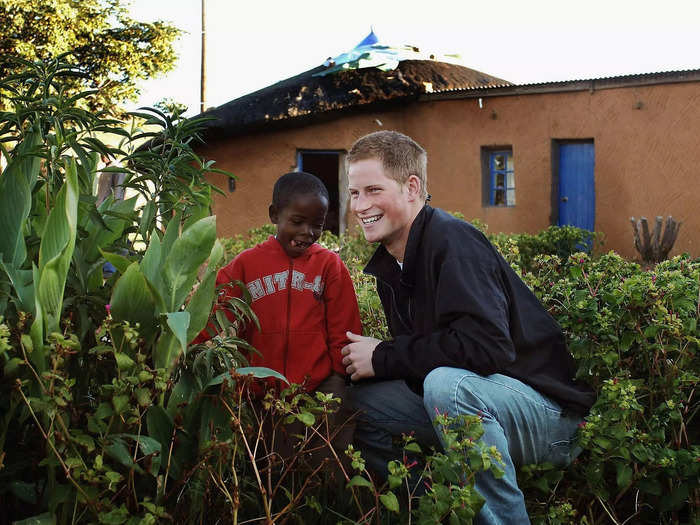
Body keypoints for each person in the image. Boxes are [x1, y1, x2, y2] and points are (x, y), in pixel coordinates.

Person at [341, 131, 595, 524]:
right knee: (357, 403)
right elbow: (430, 353)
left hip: (550, 416)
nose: (360, 205)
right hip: (484, 402)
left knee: (447, 384)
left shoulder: (452, 241)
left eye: (373, 189)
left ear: (412, 188)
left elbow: (488, 348)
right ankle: (436, 511)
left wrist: (385, 355)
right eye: (354, 193)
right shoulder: (393, 263)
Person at [196, 171, 362, 470]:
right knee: (267, 466)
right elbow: (216, 314)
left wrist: (338, 377)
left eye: (317, 225)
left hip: (319, 390)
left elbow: (344, 328)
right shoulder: (245, 266)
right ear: (274, 214)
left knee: (326, 464)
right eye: (297, 222)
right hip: (260, 393)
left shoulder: (329, 266)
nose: (307, 233)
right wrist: (184, 347)